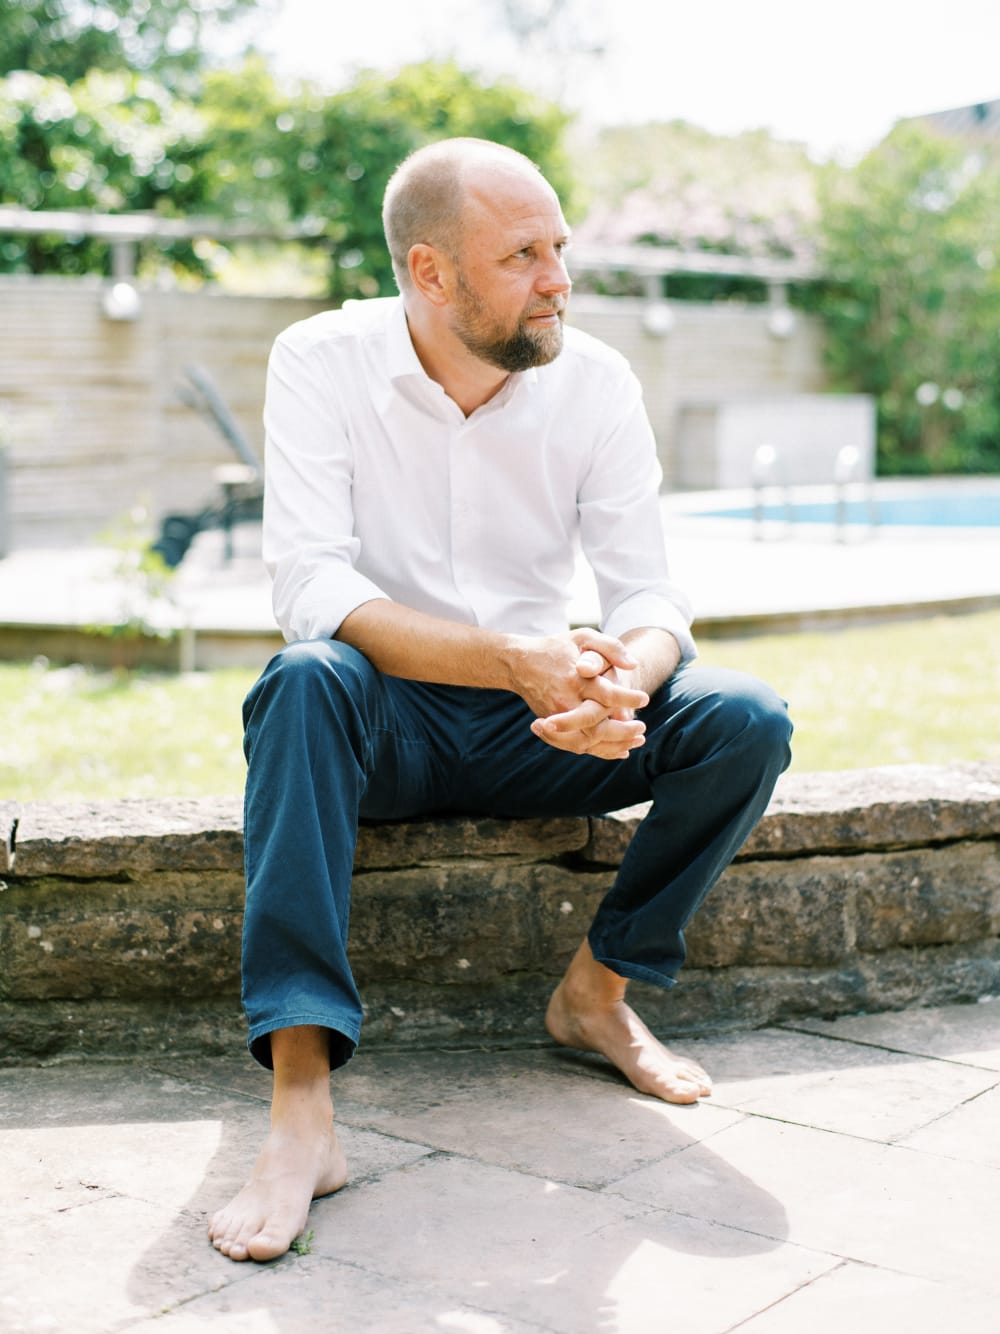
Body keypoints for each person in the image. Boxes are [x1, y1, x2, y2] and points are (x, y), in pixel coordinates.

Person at [209, 137, 792, 1263]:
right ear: (429, 273)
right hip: (388, 723)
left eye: (560, 248)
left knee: (741, 716)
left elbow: (647, 588)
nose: (558, 278)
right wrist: (509, 659)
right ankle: (301, 1107)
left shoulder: (598, 379)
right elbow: (312, 584)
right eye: (523, 254)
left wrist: (621, 674)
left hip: (551, 722)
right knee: (301, 680)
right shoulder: (319, 359)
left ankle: (597, 990)